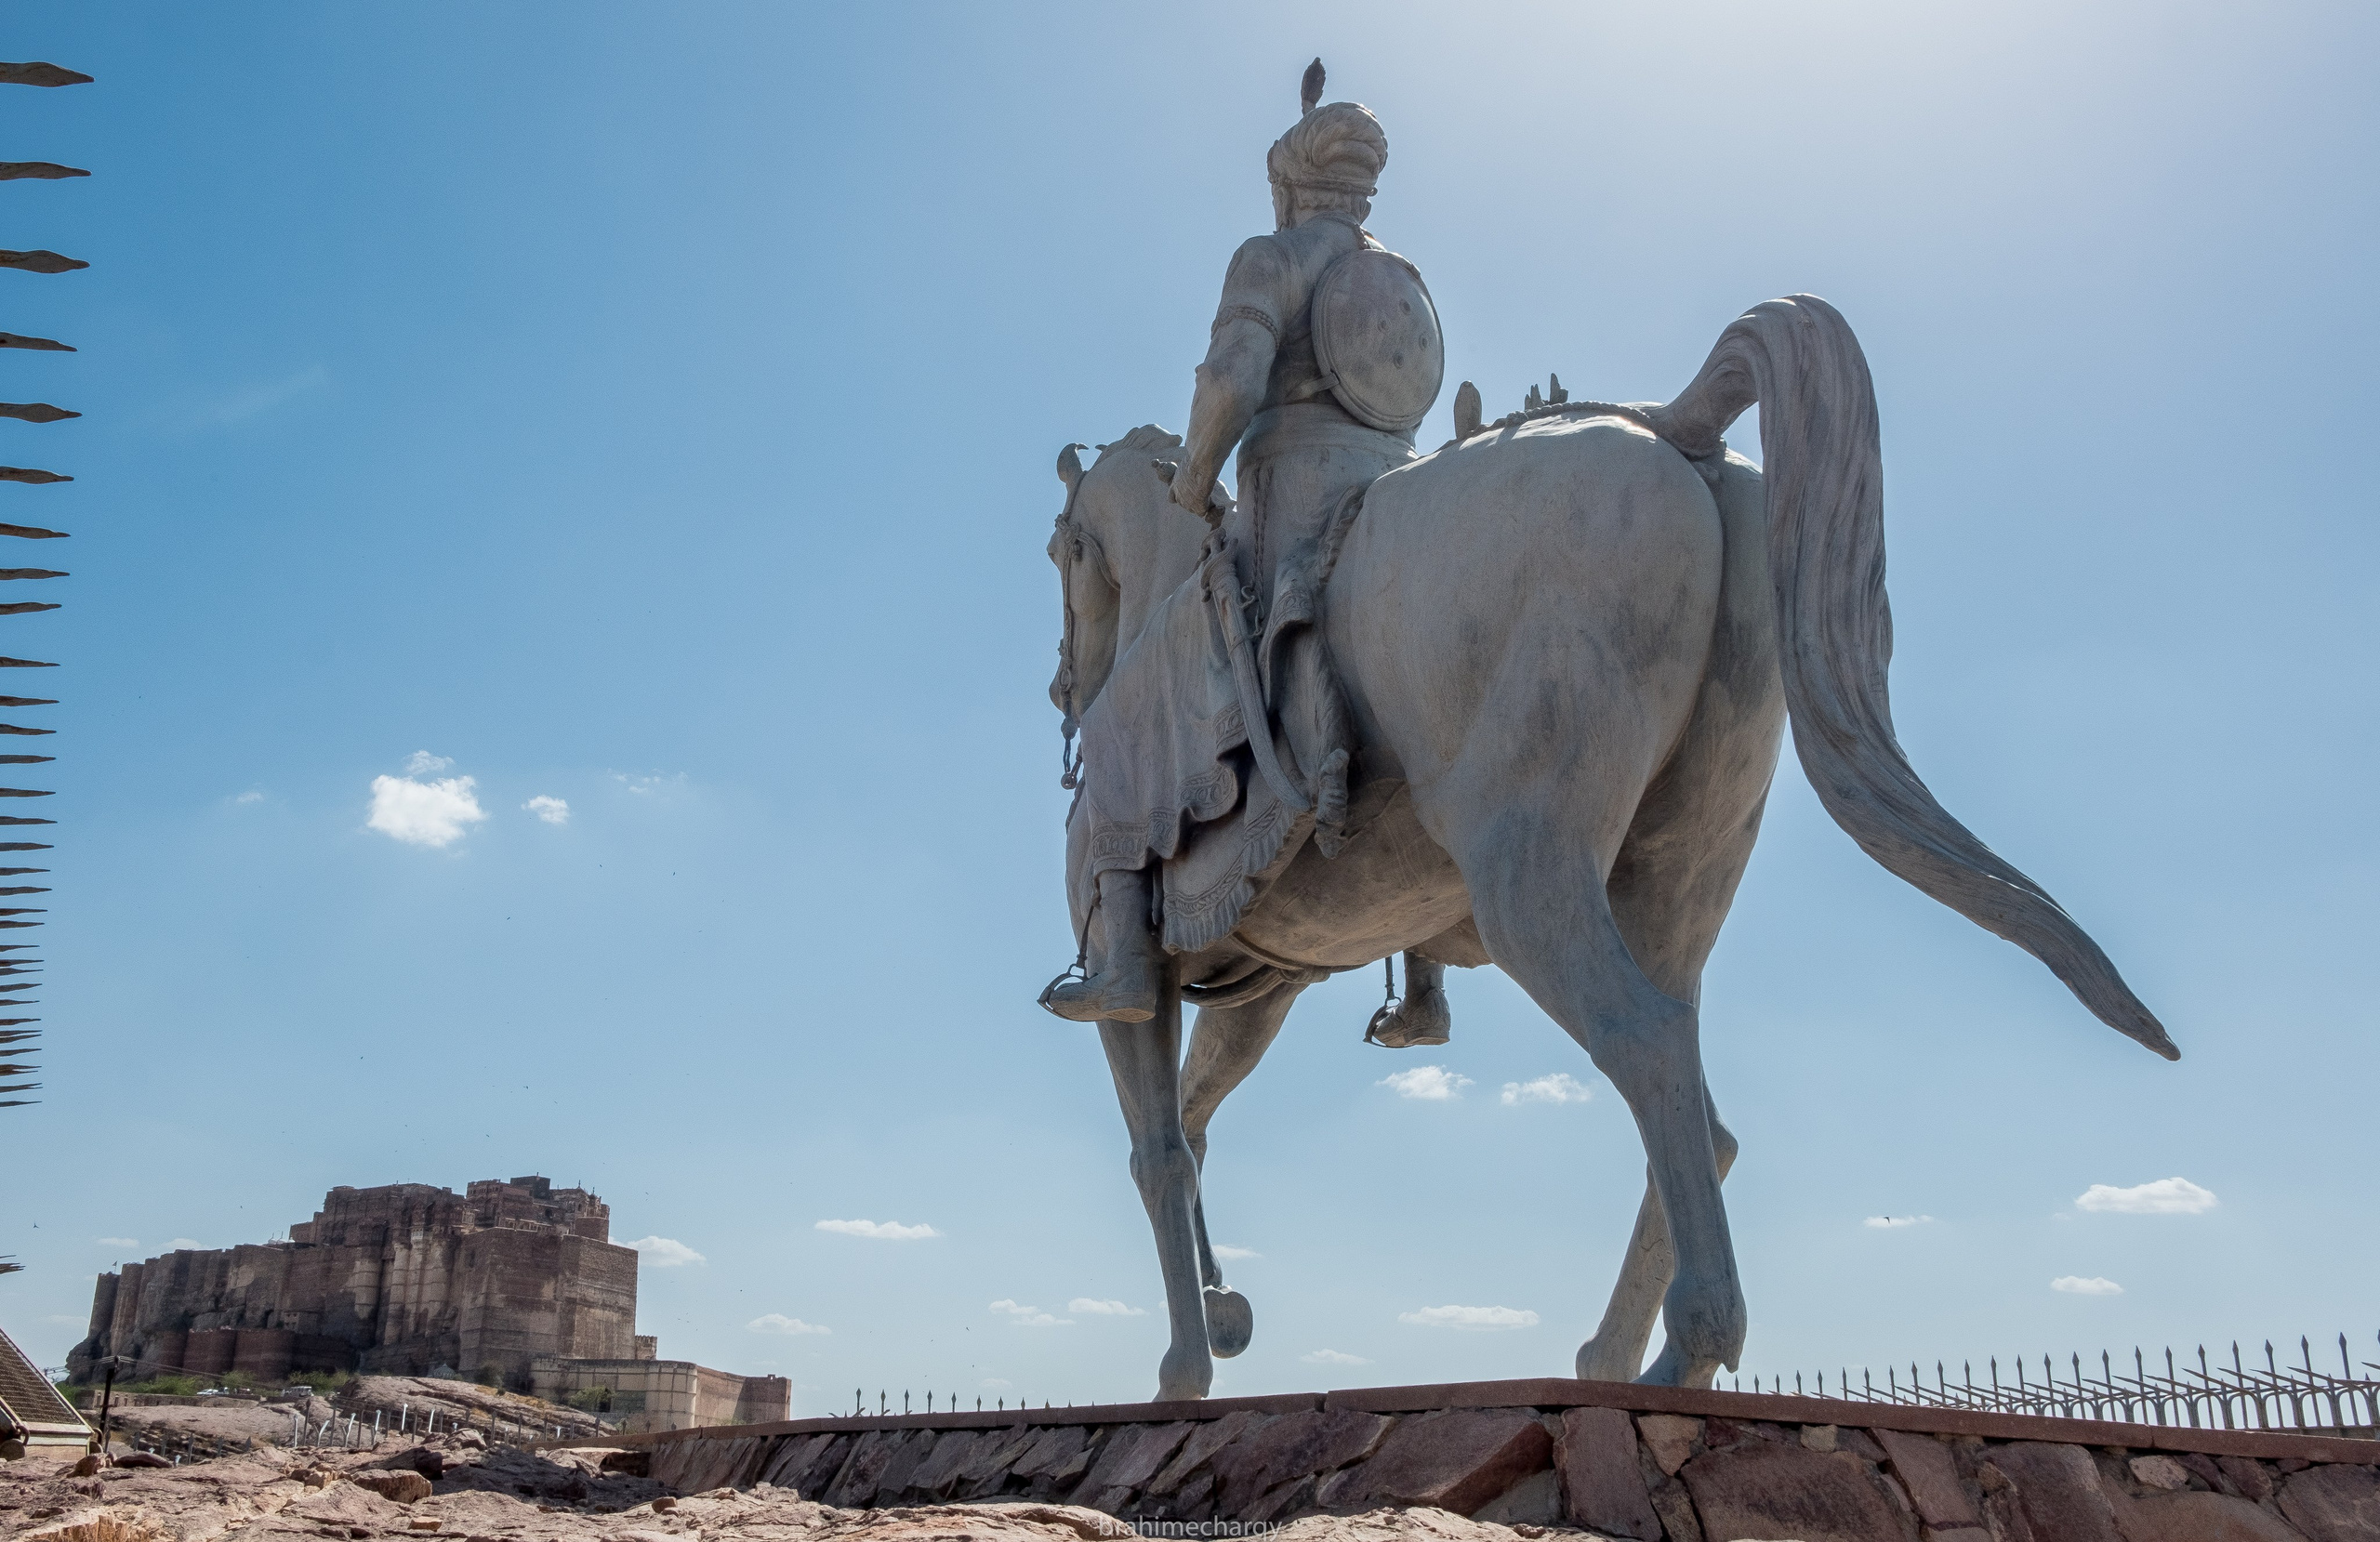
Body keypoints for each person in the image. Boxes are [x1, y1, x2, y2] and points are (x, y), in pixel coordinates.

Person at [1043, 72, 1446, 1036]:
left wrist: (1192, 483)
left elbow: (1230, 381)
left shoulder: (1272, 258)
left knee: (1120, 720)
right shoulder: (1401, 275)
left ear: (1287, 188)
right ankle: (1425, 988)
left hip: (1290, 514)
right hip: (1390, 496)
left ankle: (1128, 961)